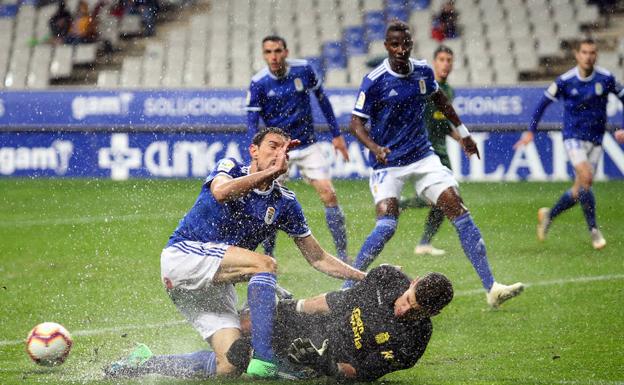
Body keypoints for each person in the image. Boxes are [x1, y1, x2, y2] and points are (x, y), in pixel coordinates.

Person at [104, 128, 365, 379]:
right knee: (264, 264)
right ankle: (265, 360)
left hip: (214, 281)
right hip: (183, 258)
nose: (277, 154)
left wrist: (365, 278)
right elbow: (220, 192)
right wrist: (272, 171)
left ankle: (143, 363)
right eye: (272, 146)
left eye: (284, 151)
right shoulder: (230, 168)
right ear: (254, 150)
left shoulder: (285, 202)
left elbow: (317, 258)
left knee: (229, 364)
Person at [344, 21, 524, 308]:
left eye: (405, 44)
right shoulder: (375, 80)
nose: (401, 50)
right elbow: (355, 123)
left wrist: (464, 135)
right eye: (394, 45)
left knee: (457, 208)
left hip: (422, 156)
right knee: (387, 225)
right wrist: (375, 147)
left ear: (411, 44)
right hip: (387, 163)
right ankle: (346, 285)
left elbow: (441, 100)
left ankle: (492, 287)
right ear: (386, 47)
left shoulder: (423, 72)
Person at [102, 265, 453, 382]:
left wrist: (326, 364)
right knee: (252, 317)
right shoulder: (387, 278)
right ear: (412, 282)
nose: (405, 310)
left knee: (236, 358)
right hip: (308, 325)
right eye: (408, 300)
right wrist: (293, 306)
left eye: (416, 311)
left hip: (313, 360)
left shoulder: (411, 343)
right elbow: (337, 300)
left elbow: (360, 373)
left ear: (431, 315)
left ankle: (144, 364)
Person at [246, 35, 350, 263]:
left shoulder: (303, 70)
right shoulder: (259, 82)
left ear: (286, 51)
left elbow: (323, 100)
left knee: (329, 194)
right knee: (269, 202)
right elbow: (252, 121)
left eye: (277, 51)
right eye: (268, 52)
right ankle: (268, 257)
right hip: (277, 151)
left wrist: (336, 135)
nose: (273, 56)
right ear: (263, 55)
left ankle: (343, 254)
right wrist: (255, 150)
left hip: (307, 144)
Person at [514, 38, 624, 250]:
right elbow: (542, 104)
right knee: (586, 177)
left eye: (592, 52)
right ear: (577, 54)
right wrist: (530, 132)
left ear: (596, 55)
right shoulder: (565, 81)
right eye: (584, 52)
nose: (588, 56)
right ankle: (594, 230)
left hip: (596, 139)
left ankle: (549, 215)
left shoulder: (606, 78)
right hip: (573, 137)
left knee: (580, 189)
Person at [400, 45, 460, 257]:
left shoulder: (449, 91)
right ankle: (400, 206)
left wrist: (461, 138)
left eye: (449, 60)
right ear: (434, 62)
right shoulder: (424, 88)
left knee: (445, 197)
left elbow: (443, 123)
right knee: (447, 196)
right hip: (425, 150)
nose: (445, 64)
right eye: (442, 59)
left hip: (441, 150)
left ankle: (423, 240)